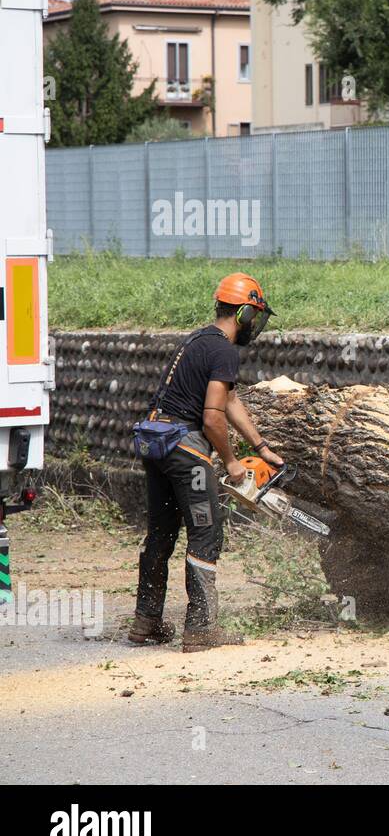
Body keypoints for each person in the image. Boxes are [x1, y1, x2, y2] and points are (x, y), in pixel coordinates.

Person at [129, 273, 282, 652]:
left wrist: (260, 447)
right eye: (256, 317)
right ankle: (200, 629)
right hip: (185, 449)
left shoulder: (199, 340)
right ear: (246, 314)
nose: (255, 326)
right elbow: (213, 417)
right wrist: (231, 461)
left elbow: (228, 401)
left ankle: (145, 622)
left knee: (161, 534)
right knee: (206, 532)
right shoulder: (224, 350)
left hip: (157, 441)